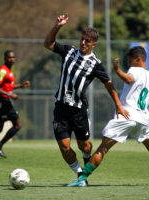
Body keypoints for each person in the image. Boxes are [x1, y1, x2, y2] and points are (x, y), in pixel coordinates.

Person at [67, 46, 149, 187]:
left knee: (103, 148)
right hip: (143, 120)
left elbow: (127, 79)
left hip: (127, 116)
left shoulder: (134, 70)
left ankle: (82, 179)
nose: (129, 63)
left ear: (138, 59)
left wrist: (117, 70)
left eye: (130, 60)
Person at [43, 14, 129, 177]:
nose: (83, 42)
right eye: (82, 39)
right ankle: (80, 174)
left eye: (87, 41)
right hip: (61, 108)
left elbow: (109, 85)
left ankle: (86, 157)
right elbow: (47, 44)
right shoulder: (68, 51)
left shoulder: (95, 64)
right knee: (65, 147)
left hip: (79, 111)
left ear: (93, 44)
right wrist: (57, 26)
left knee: (85, 147)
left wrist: (118, 105)